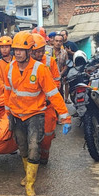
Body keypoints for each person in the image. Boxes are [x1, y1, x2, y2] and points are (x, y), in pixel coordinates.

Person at [4, 31, 72, 196]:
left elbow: (53, 93)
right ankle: (27, 174)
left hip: (35, 114)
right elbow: (7, 92)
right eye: (16, 49)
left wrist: (65, 116)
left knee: (35, 147)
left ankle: (30, 185)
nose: (18, 52)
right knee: (22, 147)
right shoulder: (9, 68)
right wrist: (7, 113)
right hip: (16, 115)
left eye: (22, 49)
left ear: (29, 51)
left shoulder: (40, 69)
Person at [31, 33, 62, 165]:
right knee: (32, 136)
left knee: (48, 134)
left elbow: (57, 81)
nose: (39, 54)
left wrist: (49, 97)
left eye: (41, 51)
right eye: (36, 51)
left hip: (48, 105)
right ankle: (32, 159)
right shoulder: (26, 64)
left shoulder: (50, 61)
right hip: (32, 105)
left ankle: (44, 154)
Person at [0, 36, 13, 110]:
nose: (4, 49)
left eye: (7, 47)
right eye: (2, 47)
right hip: (2, 94)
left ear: (11, 47)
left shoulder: (15, 59)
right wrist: (5, 88)